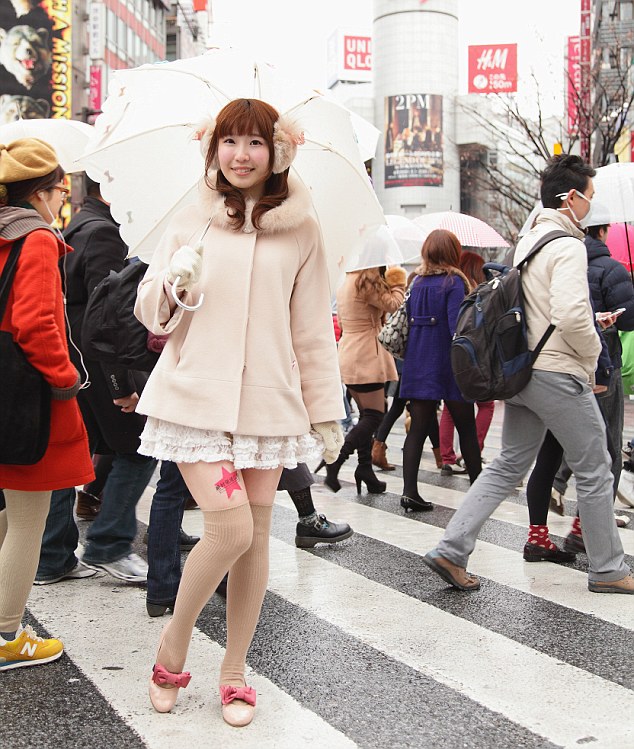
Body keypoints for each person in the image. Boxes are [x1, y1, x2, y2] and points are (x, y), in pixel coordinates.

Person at [134, 98, 344, 725]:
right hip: (195, 398)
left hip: (268, 405)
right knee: (230, 529)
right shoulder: (192, 219)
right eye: (230, 143)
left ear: (277, 151)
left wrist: (324, 413)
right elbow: (151, 311)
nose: (241, 156)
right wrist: (173, 286)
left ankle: (234, 670)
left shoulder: (303, 229)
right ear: (213, 149)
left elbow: (310, 331)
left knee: (253, 544)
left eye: (255, 143)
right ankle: (172, 651)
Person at [423, 154, 634, 594]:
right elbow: (572, 315)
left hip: (522, 372)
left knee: (508, 463)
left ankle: (452, 548)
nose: (591, 207)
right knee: (596, 466)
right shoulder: (568, 245)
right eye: (589, 197)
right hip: (556, 372)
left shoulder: (530, 241)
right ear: (571, 197)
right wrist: (595, 359)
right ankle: (610, 570)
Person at [0, 138, 94, 669]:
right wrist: (64, 379)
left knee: (5, 516)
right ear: (40, 192)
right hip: (27, 397)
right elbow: (35, 324)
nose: (63, 200)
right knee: (29, 519)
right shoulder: (34, 239)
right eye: (61, 189)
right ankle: (6, 635)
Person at [62, 175, 157, 582]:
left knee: (93, 449)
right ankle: (108, 543)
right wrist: (122, 383)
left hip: (79, 359)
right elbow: (110, 317)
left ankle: (53, 555)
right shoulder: (104, 234)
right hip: (98, 363)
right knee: (138, 448)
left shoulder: (79, 225)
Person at [550, 223, 634, 518]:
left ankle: (558, 481)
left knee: (580, 429)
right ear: (602, 232)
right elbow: (628, 321)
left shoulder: (564, 264)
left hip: (568, 361)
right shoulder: (612, 269)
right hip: (604, 361)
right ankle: (601, 515)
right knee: (609, 438)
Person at [400, 230, 482, 512]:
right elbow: (455, 328)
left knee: (418, 429)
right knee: (466, 428)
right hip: (448, 366)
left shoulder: (416, 281)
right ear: (452, 252)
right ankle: (479, 492)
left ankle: (409, 492)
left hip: (417, 361)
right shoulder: (454, 282)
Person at [321, 264, 407, 494]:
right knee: (374, 415)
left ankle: (365, 469)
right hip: (366, 355)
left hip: (351, 350)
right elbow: (394, 305)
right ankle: (336, 461)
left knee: (368, 414)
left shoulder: (348, 279)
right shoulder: (367, 280)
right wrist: (398, 282)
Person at [438, 251, 495, 475]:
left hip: (451, 355)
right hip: (473, 354)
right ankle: (472, 451)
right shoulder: (474, 290)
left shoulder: (448, 284)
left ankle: (447, 457)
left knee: (450, 409)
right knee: (486, 404)